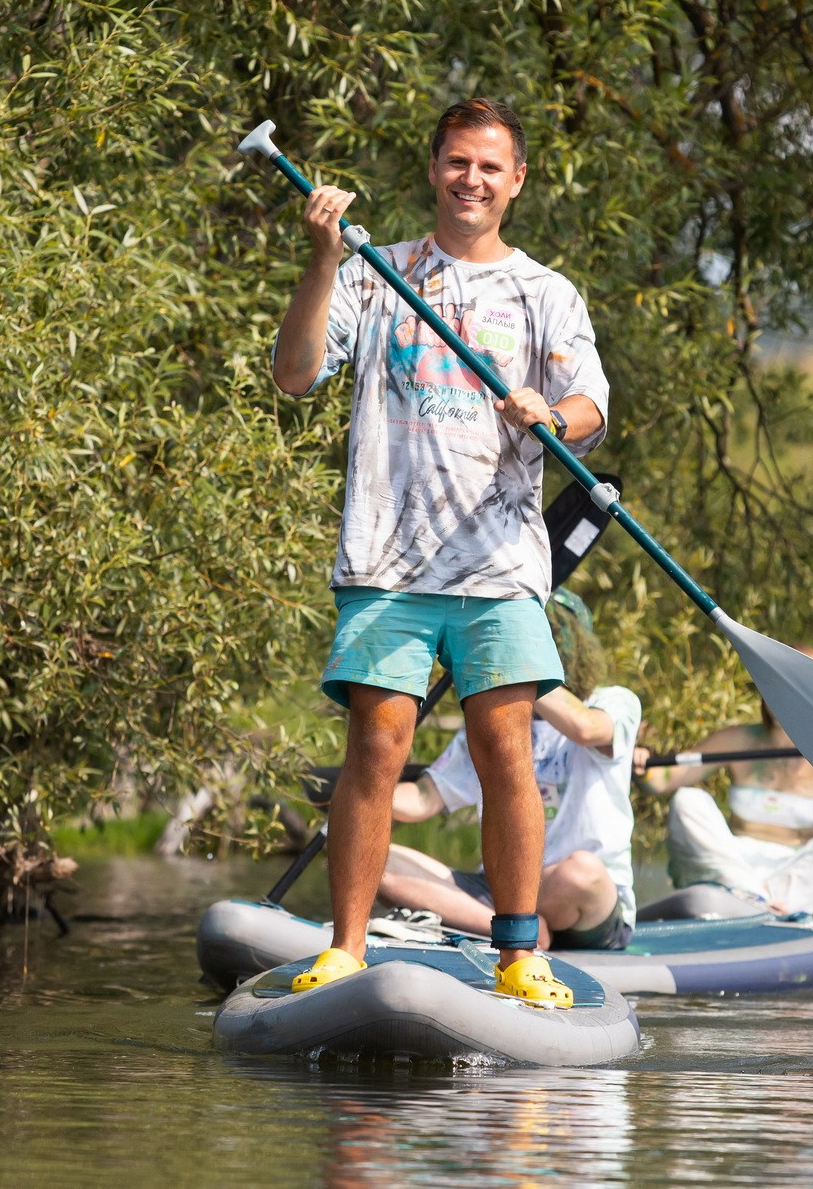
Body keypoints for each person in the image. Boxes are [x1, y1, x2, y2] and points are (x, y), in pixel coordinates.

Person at [270, 97, 610, 1006]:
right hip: (387, 560)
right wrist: (323, 258)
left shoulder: (546, 293)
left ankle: (518, 952)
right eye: (458, 162)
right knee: (376, 748)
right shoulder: (379, 272)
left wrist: (551, 413)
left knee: (506, 750)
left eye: (490, 167)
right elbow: (295, 372)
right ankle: (346, 948)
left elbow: (591, 409)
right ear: (434, 169)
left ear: (517, 181)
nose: (472, 179)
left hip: (499, 563)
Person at [380, 596, 642, 951]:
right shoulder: (490, 718)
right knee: (370, 855)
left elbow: (586, 728)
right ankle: (509, 929)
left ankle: (513, 925)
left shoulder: (613, 700)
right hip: (499, 888)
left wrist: (514, 669)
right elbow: (424, 798)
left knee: (582, 872)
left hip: (584, 900)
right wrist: (363, 794)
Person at [639, 660, 813, 923]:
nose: (787, 699)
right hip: (731, 872)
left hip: (794, 883)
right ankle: (754, 898)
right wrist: (641, 763)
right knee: (688, 801)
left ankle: (777, 910)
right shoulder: (740, 739)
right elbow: (662, 782)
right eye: (778, 687)